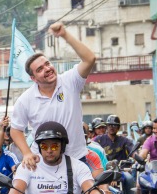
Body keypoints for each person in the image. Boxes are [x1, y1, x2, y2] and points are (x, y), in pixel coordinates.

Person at [10, 21, 96, 171]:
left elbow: (90, 59)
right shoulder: (25, 100)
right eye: (40, 69)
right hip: (43, 162)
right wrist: (27, 153)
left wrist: (64, 34)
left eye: (47, 64)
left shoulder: (70, 81)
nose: (47, 69)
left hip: (76, 158)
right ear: (34, 78)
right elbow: (16, 129)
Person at [94, 115, 137, 194]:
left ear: (118, 128)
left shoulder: (124, 140)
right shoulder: (98, 140)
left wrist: (138, 158)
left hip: (120, 170)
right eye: (110, 125)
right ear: (107, 127)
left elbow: (133, 151)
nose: (112, 127)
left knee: (130, 179)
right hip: (103, 170)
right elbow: (90, 149)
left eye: (115, 125)